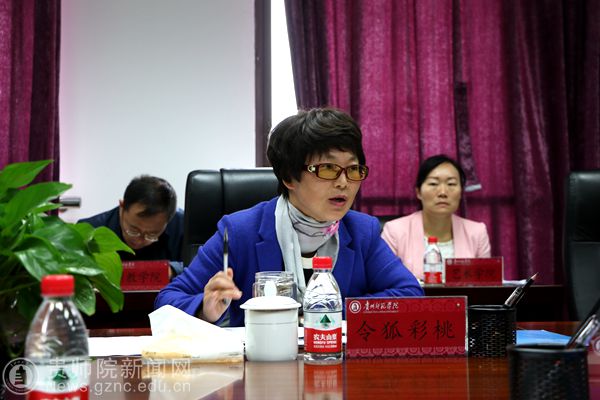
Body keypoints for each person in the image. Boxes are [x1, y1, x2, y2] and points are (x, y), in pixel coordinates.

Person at [155, 108, 423, 326]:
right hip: (260, 366)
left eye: (353, 170)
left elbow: (410, 296)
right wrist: (204, 308)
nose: (344, 182)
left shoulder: (361, 231)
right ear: (289, 178)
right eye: (328, 169)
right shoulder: (240, 231)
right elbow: (167, 300)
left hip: (335, 363)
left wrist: (326, 313)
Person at [381, 155, 491, 280]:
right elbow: (384, 281)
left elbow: (486, 284)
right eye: (433, 183)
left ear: (461, 191)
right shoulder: (395, 231)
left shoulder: (477, 232)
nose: (443, 192)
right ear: (418, 192)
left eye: (451, 184)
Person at [79, 175, 185, 274]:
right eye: (133, 230)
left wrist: (174, 270)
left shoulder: (183, 226)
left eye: (152, 235)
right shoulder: (90, 230)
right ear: (122, 206)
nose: (139, 241)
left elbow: (192, 266)